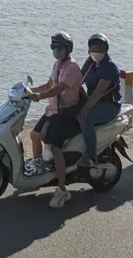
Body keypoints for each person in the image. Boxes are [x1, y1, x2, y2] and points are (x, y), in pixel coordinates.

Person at [27, 31, 83, 209]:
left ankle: (62, 190)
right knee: (35, 135)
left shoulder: (72, 68)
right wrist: (28, 90)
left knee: (55, 147)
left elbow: (58, 89)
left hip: (66, 115)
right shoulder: (58, 64)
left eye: (59, 47)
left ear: (68, 49)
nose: (56, 50)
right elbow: (48, 84)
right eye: (54, 47)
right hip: (53, 111)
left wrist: (39, 96)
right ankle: (39, 169)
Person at [77, 33, 122, 169]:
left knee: (85, 118)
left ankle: (91, 156)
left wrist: (86, 108)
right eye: (93, 49)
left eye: (99, 49)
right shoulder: (89, 63)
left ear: (105, 50)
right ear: (88, 50)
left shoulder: (109, 66)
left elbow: (98, 91)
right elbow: (78, 80)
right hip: (92, 101)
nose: (96, 52)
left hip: (109, 105)